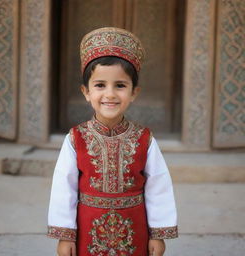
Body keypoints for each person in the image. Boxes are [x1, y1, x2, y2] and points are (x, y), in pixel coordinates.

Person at [47, 27, 178, 256]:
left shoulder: (144, 138)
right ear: (86, 92)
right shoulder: (75, 138)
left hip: (134, 231)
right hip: (88, 230)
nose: (110, 94)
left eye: (120, 85)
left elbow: (159, 187)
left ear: (134, 92)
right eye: (100, 85)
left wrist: (157, 233)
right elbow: (63, 188)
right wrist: (65, 234)